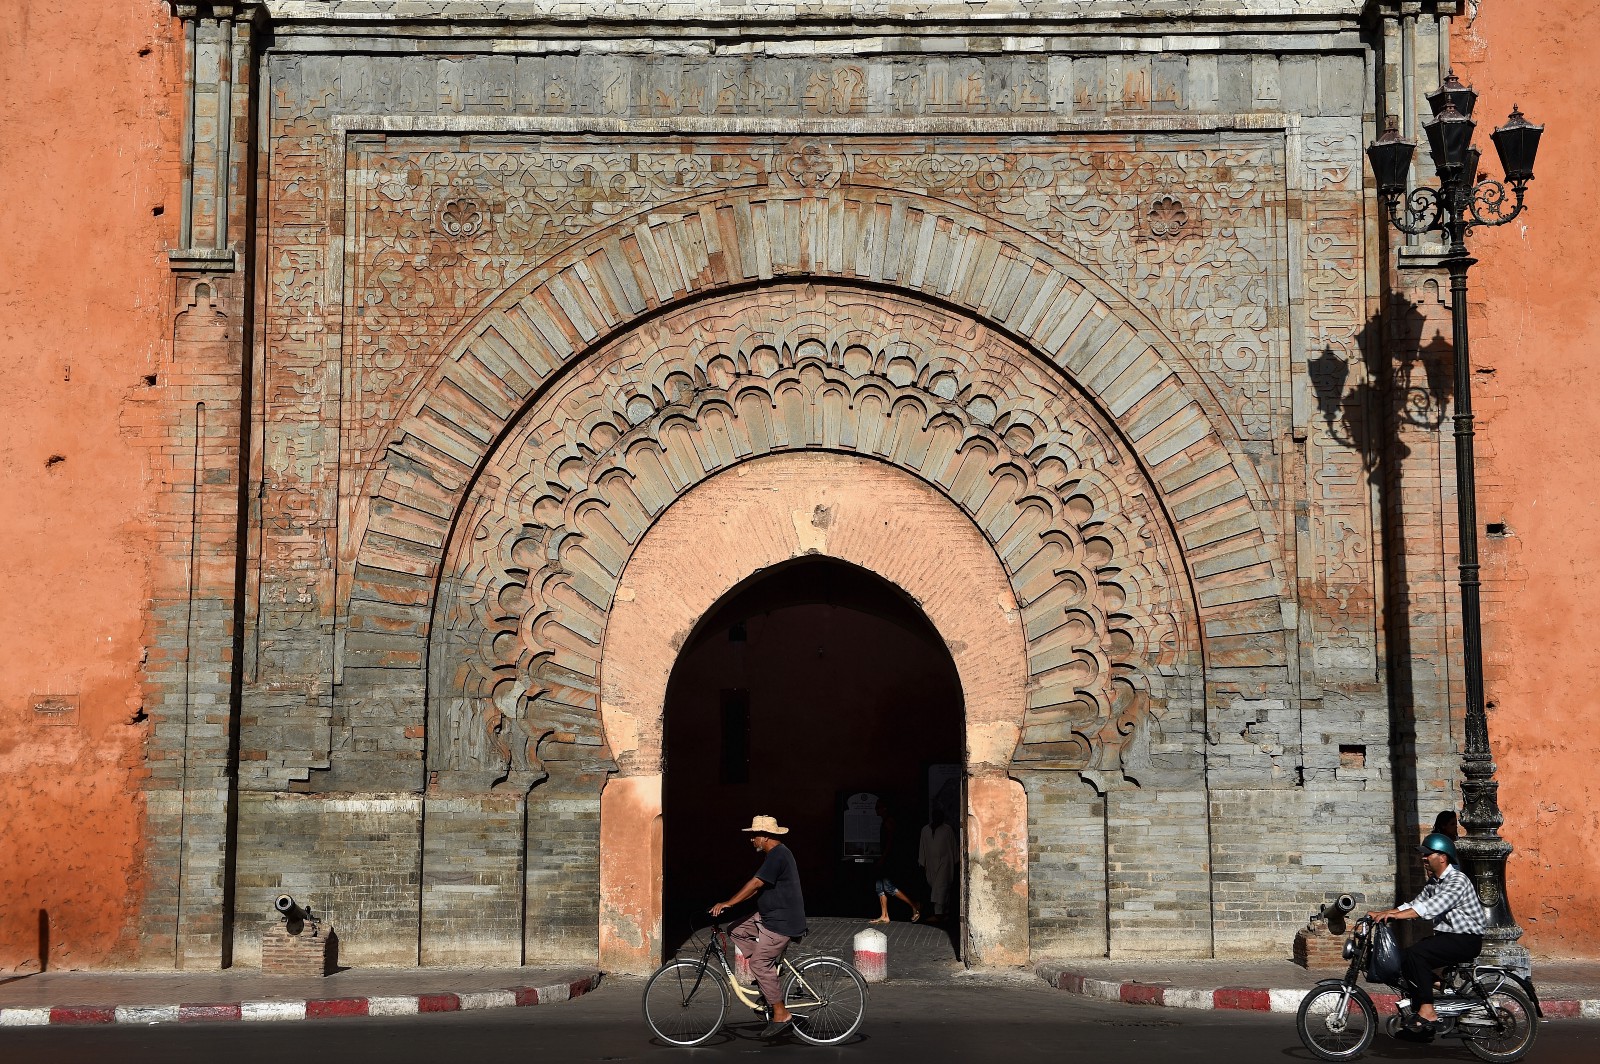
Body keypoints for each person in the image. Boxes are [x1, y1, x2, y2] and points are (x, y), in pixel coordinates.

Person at [1370, 832, 1486, 1039]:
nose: (1423, 858)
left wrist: (1394, 917)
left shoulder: (1457, 880)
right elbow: (1415, 904)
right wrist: (1384, 913)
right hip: (1448, 937)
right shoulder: (1434, 882)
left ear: (1442, 857)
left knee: (1417, 955)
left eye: (1428, 855)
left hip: (1466, 939)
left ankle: (1427, 1010)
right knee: (1403, 959)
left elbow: (1429, 908)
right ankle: (1429, 1016)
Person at [711, 815, 808, 1039]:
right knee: (736, 929)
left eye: (754, 836)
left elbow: (755, 883)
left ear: (765, 837)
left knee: (758, 963)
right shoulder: (774, 855)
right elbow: (757, 888)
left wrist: (728, 902)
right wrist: (732, 904)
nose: (751, 839)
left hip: (780, 923)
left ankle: (781, 1014)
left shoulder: (777, 855)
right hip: (768, 916)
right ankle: (767, 980)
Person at [868, 798, 919, 924]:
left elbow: (890, 842)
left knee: (888, 887)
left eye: (878, 807)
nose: (876, 809)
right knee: (879, 886)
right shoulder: (885, 821)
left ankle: (914, 904)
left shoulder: (889, 821)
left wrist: (883, 858)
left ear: (885, 808)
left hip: (888, 859)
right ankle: (884, 915)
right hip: (885, 858)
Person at [918, 809, 957, 924]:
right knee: (940, 888)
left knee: (940, 888)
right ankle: (946, 912)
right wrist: (922, 862)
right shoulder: (925, 830)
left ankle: (938, 914)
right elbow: (922, 846)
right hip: (930, 864)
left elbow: (953, 845)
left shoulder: (947, 829)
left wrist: (955, 860)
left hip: (945, 863)